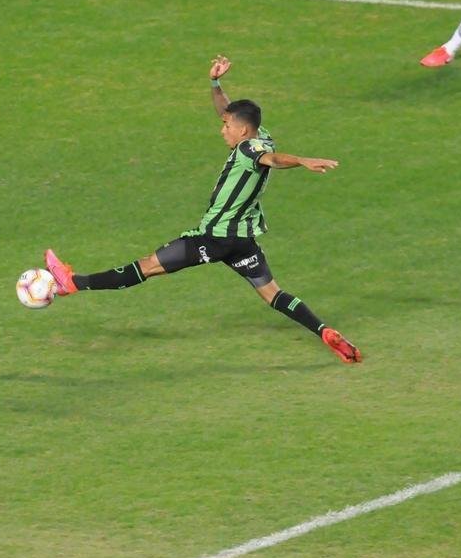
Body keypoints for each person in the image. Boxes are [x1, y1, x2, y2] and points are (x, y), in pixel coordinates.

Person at [43, 55, 362, 363]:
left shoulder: (251, 149)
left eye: (226, 126)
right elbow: (229, 112)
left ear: (242, 132)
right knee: (272, 294)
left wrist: (302, 161)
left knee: (147, 266)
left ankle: (72, 283)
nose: (222, 129)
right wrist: (215, 81)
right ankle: (323, 331)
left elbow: (274, 161)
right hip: (242, 240)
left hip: (214, 238)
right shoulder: (261, 136)